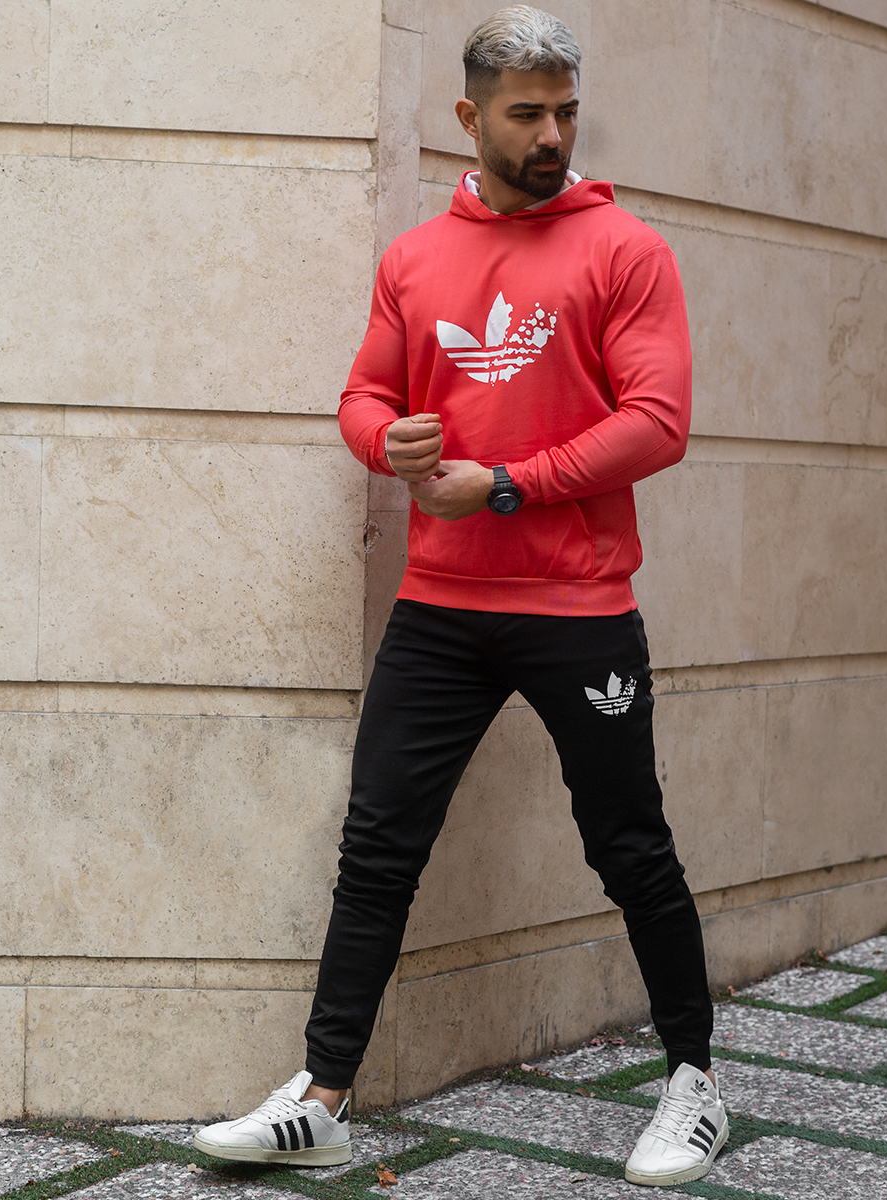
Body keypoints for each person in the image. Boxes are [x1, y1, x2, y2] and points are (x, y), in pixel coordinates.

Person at [194, 5, 726, 1188]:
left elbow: (658, 423)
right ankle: (322, 1100)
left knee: (629, 845)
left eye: (566, 112)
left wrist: (508, 485)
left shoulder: (626, 250)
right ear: (469, 117)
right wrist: (384, 442)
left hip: (578, 607)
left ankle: (693, 1081)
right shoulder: (415, 260)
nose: (552, 135)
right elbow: (364, 397)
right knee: (378, 847)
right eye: (526, 114)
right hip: (441, 607)